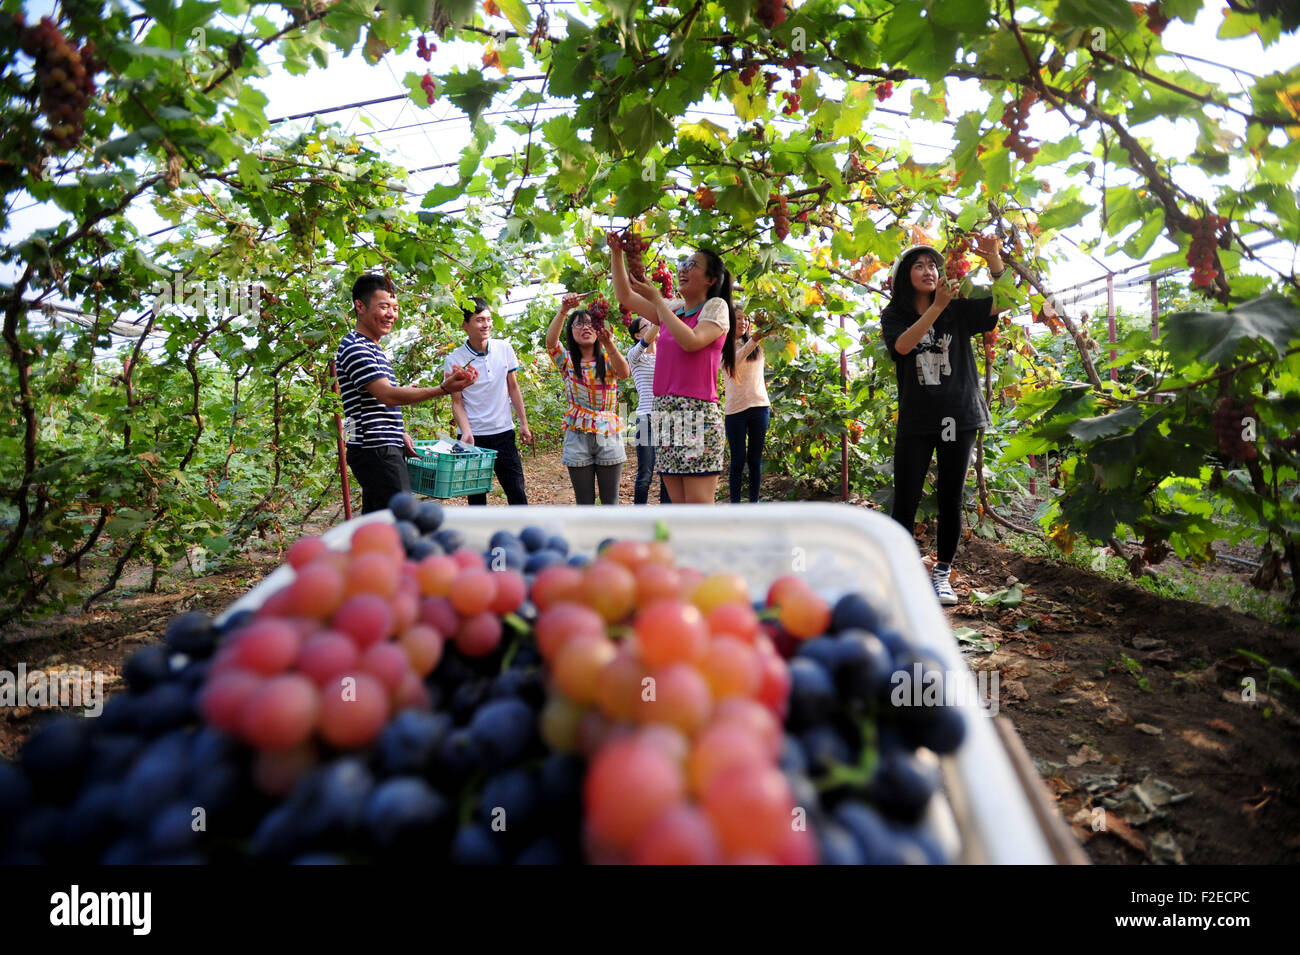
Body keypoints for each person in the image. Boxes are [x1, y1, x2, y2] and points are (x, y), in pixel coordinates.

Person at [880, 236, 1005, 605]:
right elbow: (903, 346)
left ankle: (942, 574)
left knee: (949, 497)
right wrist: (935, 308)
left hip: (958, 416)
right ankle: (902, 573)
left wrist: (995, 259)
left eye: (933, 265)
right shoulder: (895, 315)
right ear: (905, 276)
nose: (928, 270)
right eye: (918, 265)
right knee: (905, 498)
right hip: (918, 420)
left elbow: (1004, 300)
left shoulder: (960, 310)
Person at [335, 273, 473, 514]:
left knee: (379, 520)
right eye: (384, 307)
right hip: (375, 449)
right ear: (360, 306)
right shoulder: (355, 346)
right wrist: (443, 389)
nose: (391, 314)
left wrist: (399, 432)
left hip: (377, 446)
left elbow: (372, 405)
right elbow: (386, 395)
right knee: (402, 520)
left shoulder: (372, 347)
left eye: (395, 308)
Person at [611, 237, 735, 505]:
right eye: (683, 263)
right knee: (677, 510)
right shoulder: (675, 309)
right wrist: (616, 252)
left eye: (693, 265)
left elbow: (691, 341)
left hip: (696, 413)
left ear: (711, 279)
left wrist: (657, 300)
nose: (683, 269)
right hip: (664, 413)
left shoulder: (715, 307)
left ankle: (705, 549)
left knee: (698, 508)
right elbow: (625, 295)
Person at [445, 296, 532, 506]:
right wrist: (466, 432)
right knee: (476, 498)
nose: (486, 325)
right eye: (479, 320)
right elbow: (457, 402)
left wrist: (523, 423)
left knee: (517, 491)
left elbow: (513, 387)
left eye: (488, 319)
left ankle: (525, 535)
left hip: (503, 433)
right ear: (465, 325)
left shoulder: (504, 349)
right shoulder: (455, 360)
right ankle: (481, 539)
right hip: (474, 438)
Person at [545, 293, 631, 505]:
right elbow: (550, 342)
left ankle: (610, 538)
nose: (585, 327)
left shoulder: (608, 359)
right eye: (579, 324)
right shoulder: (567, 362)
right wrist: (564, 310)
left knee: (611, 502)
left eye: (590, 323)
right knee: (584, 503)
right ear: (570, 331)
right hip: (578, 436)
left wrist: (609, 344)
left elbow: (624, 373)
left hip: (608, 435)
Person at [722, 307, 772, 503]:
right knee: (737, 461)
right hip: (735, 410)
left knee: (754, 460)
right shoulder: (723, 346)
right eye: (738, 319)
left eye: (746, 319)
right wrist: (754, 340)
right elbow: (733, 363)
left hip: (759, 406)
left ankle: (754, 504)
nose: (743, 322)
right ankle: (735, 505)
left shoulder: (757, 346)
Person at [624, 315, 669, 505]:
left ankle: (669, 517)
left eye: (652, 322)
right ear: (637, 334)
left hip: (668, 418)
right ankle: (638, 517)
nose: (652, 325)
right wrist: (660, 316)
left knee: (668, 474)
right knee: (645, 474)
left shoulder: (666, 354)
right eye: (647, 324)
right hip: (645, 420)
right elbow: (645, 342)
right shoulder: (635, 355)